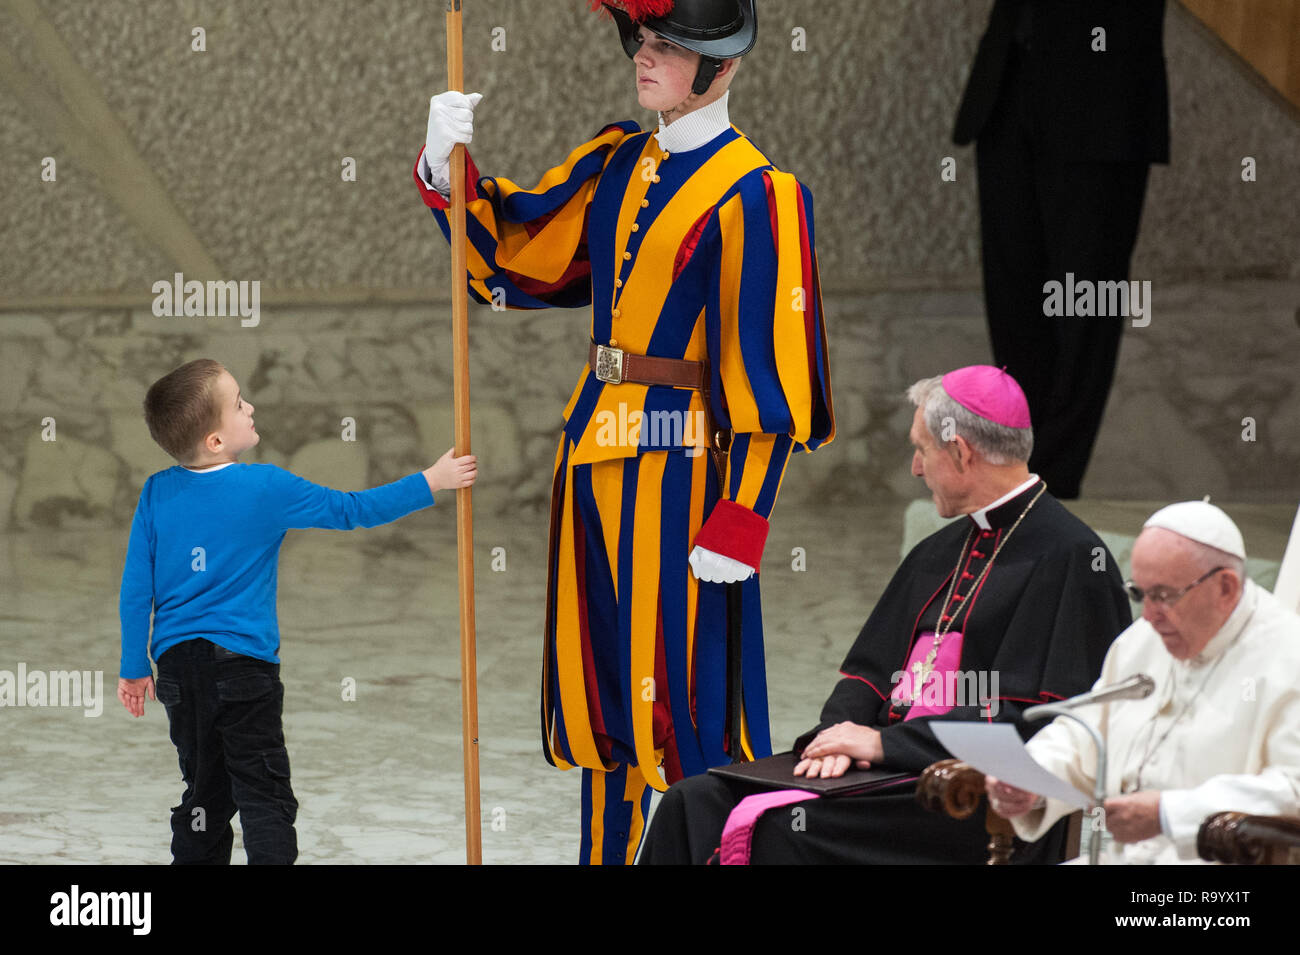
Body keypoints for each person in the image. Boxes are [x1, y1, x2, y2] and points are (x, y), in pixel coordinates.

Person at [414, 0, 834, 865]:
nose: (644, 58)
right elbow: (517, 263)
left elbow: (774, 376)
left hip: (684, 472)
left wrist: (744, 514)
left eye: (668, 47)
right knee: (597, 704)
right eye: (642, 40)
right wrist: (440, 162)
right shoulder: (619, 164)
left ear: (721, 66)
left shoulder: (763, 194)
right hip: (592, 458)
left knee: (687, 707)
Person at [639, 366, 1130, 864]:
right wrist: (836, 739)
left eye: (922, 449)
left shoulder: (1072, 559)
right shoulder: (937, 551)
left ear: (960, 451)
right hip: (884, 771)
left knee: (783, 829)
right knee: (691, 801)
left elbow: (1037, 727)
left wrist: (882, 744)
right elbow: (867, 676)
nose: (916, 468)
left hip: (967, 792)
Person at [116, 358, 476, 863]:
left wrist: (134, 667)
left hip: (179, 671)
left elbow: (136, 589)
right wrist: (432, 479)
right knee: (264, 793)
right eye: (240, 403)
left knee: (205, 794)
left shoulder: (156, 491)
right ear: (216, 440)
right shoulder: (268, 487)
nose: (251, 407)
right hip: (244, 669)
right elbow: (353, 509)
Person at [987, 501, 1300, 864]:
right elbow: (1088, 733)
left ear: (1226, 587)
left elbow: (1293, 788)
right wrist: (1033, 779)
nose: (1149, 615)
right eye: (1140, 594)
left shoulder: (1287, 655)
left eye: (1164, 596)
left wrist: (1169, 813)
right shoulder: (1141, 641)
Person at [952, 0, 1170, 499]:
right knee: (1013, 291)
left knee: (1086, 295)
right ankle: (1018, 462)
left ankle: (1053, 480)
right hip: (1009, 81)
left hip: (1101, 95)